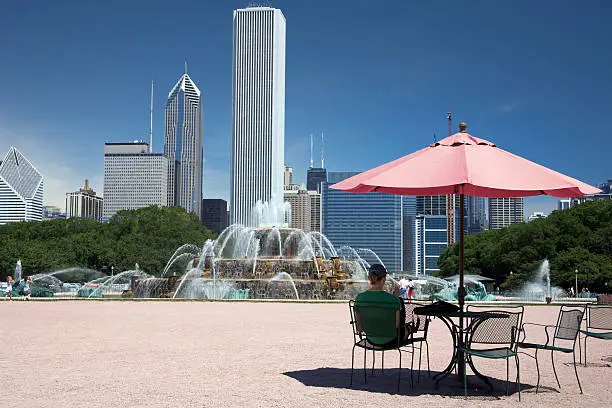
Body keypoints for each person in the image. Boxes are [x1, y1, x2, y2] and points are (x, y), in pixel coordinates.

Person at [355, 264, 417, 347]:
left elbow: (359, 328)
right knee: (407, 328)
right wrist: (396, 298)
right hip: (391, 340)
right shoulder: (394, 300)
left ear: (369, 278)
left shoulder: (359, 298)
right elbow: (397, 325)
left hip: (370, 339)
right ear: (384, 279)